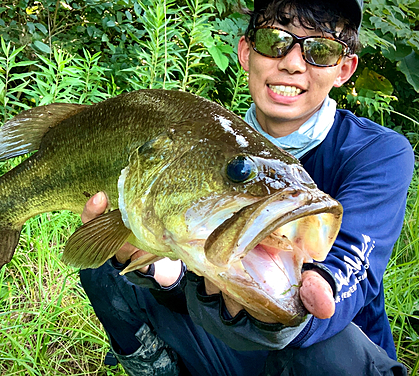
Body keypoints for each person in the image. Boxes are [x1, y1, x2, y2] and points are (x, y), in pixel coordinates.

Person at [79, 0, 414, 375]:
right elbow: (194, 280)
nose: (292, 63)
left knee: (317, 346)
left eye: (320, 50)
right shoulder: (208, 145)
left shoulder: (380, 152)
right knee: (109, 268)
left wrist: (320, 284)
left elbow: (350, 261)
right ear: (245, 51)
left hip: (333, 356)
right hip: (229, 339)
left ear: (344, 69)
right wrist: (162, 272)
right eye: (275, 42)